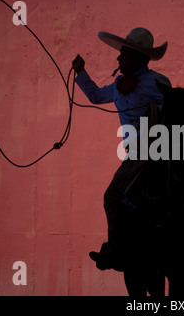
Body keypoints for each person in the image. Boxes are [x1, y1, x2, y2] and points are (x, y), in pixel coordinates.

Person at [72, 27, 171, 271]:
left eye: (123, 54)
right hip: (134, 155)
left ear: (138, 57)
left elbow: (172, 113)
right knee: (113, 196)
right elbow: (95, 96)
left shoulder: (159, 82)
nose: (118, 58)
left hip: (160, 149)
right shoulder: (118, 86)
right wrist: (81, 72)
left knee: (113, 196)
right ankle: (117, 246)